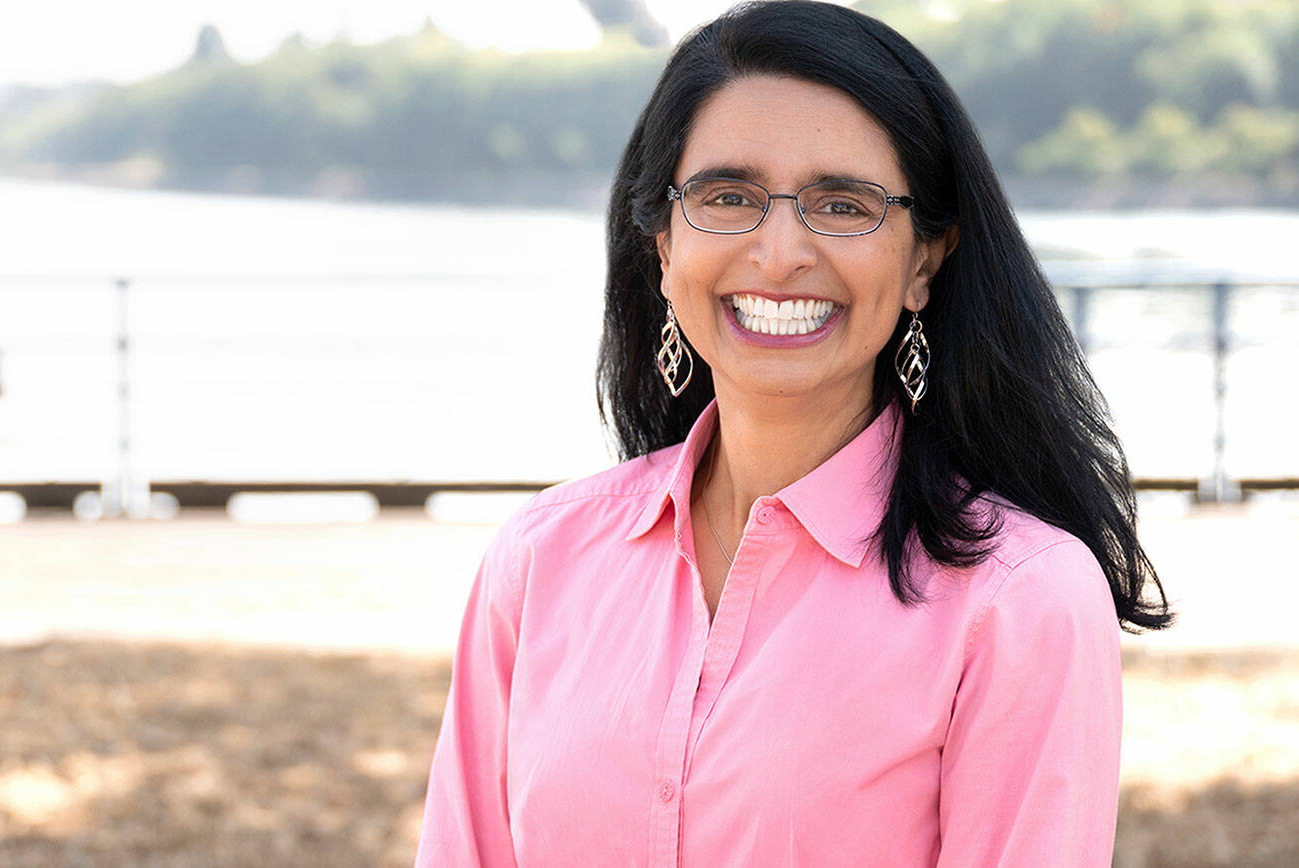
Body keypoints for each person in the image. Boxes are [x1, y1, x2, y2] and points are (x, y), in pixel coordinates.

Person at [414, 1, 1174, 865]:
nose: (779, 254)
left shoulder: (1019, 600)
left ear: (924, 259)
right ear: (663, 246)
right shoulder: (540, 559)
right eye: (727, 196)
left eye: (842, 205)